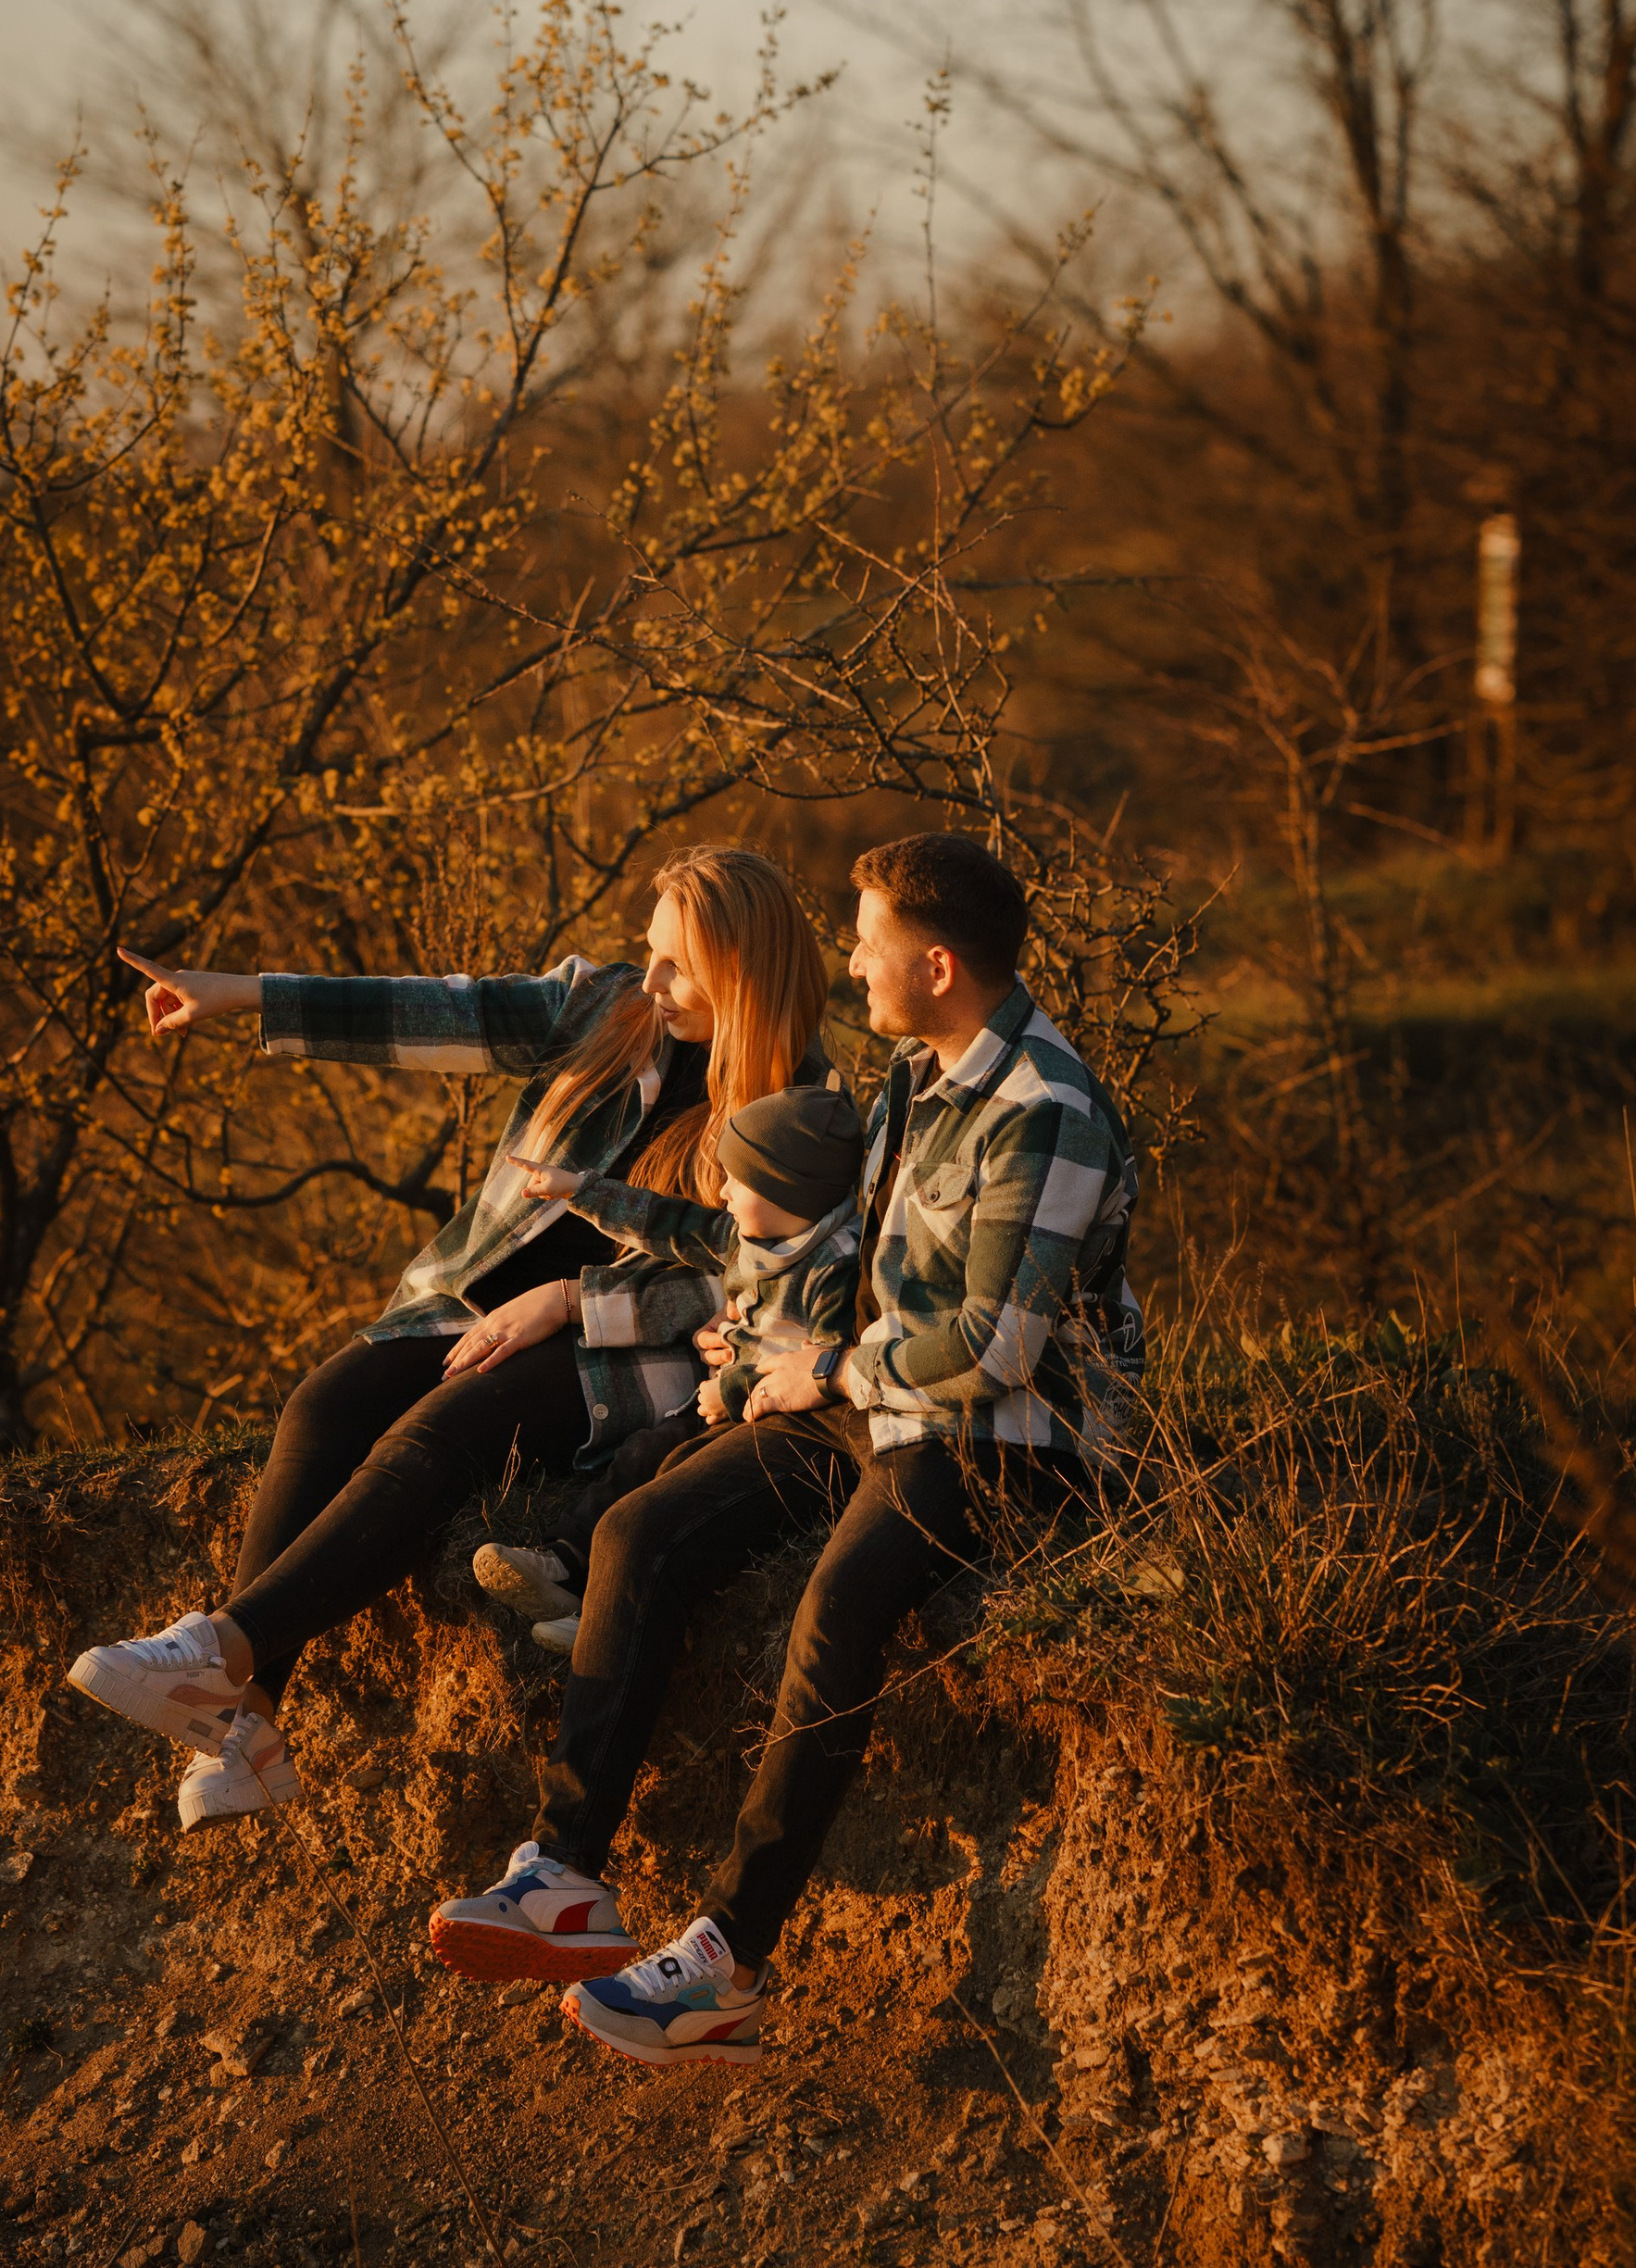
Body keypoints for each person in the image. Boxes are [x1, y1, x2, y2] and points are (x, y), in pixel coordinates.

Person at [427, 830, 1140, 2065]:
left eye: (868, 945)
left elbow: (1001, 1345)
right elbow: (836, 1260)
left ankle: (728, 1961)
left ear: (935, 961)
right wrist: (767, 1364)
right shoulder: (919, 1077)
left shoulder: (1049, 1111)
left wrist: (826, 1372)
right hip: (880, 1396)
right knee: (636, 1529)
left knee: (838, 1603)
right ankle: (562, 1873)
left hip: (1013, 1432)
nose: (851, 964)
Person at [67, 846, 830, 1835]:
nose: (650, 980)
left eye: (675, 965)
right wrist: (240, 994)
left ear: (743, 966)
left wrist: (569, 1299)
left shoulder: (800, 1107)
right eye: (649, 954)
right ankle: (247, 1729)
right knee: (324, 1404)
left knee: (444, 1425)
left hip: (627, 1352)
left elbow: (745, 1274)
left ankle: (224, 1645)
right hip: (466, 1306)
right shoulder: (604, 1009)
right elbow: (444, 1010)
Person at [468, 1080, 867, 1660]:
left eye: (738, 1180)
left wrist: (735, 1390)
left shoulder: (833, 1268)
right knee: (639, 1455)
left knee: (670, 1480)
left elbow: (822, 1369)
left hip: (771, 1421)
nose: (724, 1193)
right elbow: (667, 1222)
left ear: (786, 1191)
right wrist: (581, 1191)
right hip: (723, 1403)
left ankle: (602, 1616)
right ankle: (559, 1566)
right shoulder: (747, 1236)